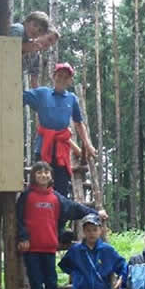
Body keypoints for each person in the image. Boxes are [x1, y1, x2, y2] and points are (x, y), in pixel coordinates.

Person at [17, 161, 108, 289]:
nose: (43, 175)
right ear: (33, 176)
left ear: (51, 176)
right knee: (36, 288)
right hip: (32, 250)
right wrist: (22, 237)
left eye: (46, 172)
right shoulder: (26, 197)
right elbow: (18, 219)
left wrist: (96, 213)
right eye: (39, 172)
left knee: (52, 287)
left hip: (49, 249)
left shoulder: (56, 198)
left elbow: (75, 208)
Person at [23, 62, 97, 198]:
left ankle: (59, 219)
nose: (62, 79)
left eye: (66, 77)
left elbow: (79, 123)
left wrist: (88, 144)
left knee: (61, 189)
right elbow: (21, 97)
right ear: (53, 76)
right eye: (59, 75)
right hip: (43, 147)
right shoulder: (42, 93)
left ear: (70, 81)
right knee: (39, 186)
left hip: (61, 152)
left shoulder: (72, 99)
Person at [10, 11, 60, 88]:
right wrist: (24, 48)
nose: (36, 30)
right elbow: (6, 50)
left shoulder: (36, 56)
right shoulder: (19, 29)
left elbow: (33, 80)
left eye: (40, 30)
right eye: (49, 39)